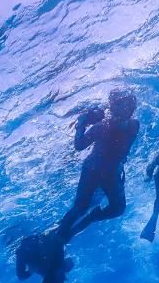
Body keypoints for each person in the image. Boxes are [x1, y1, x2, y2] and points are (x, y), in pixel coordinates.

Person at [56, 88, 140, 243]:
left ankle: (90, 218)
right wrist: (80, 125)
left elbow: (122, 149)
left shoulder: (134, 125)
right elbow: (79, 145)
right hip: (92, 171)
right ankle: (58, 237)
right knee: (80, 208)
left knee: (118, 209)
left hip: (112, 174)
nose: (126, 109)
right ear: (113, 107)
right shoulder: (102, 127)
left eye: (129, 105)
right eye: (122, 105)